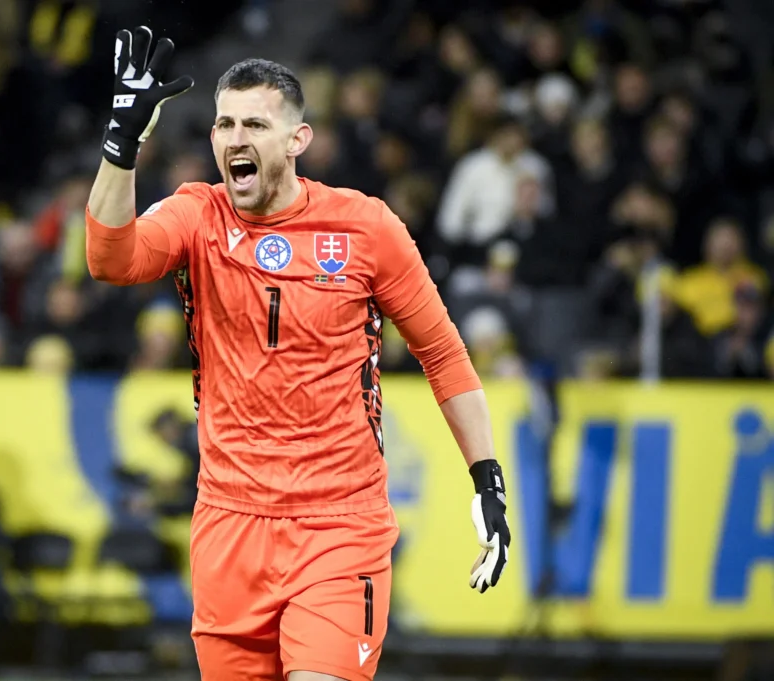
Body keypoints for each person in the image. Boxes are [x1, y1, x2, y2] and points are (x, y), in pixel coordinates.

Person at [85, 27, 511, 681]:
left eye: (255, 124)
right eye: (225, 124)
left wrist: (487, 479)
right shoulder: (197, 215)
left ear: (297, 140)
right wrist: (121, 145)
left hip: (339, 527)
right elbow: (109, 260)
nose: (236, 139)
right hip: (229, 527)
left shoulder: (366, 227)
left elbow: (443, 354)